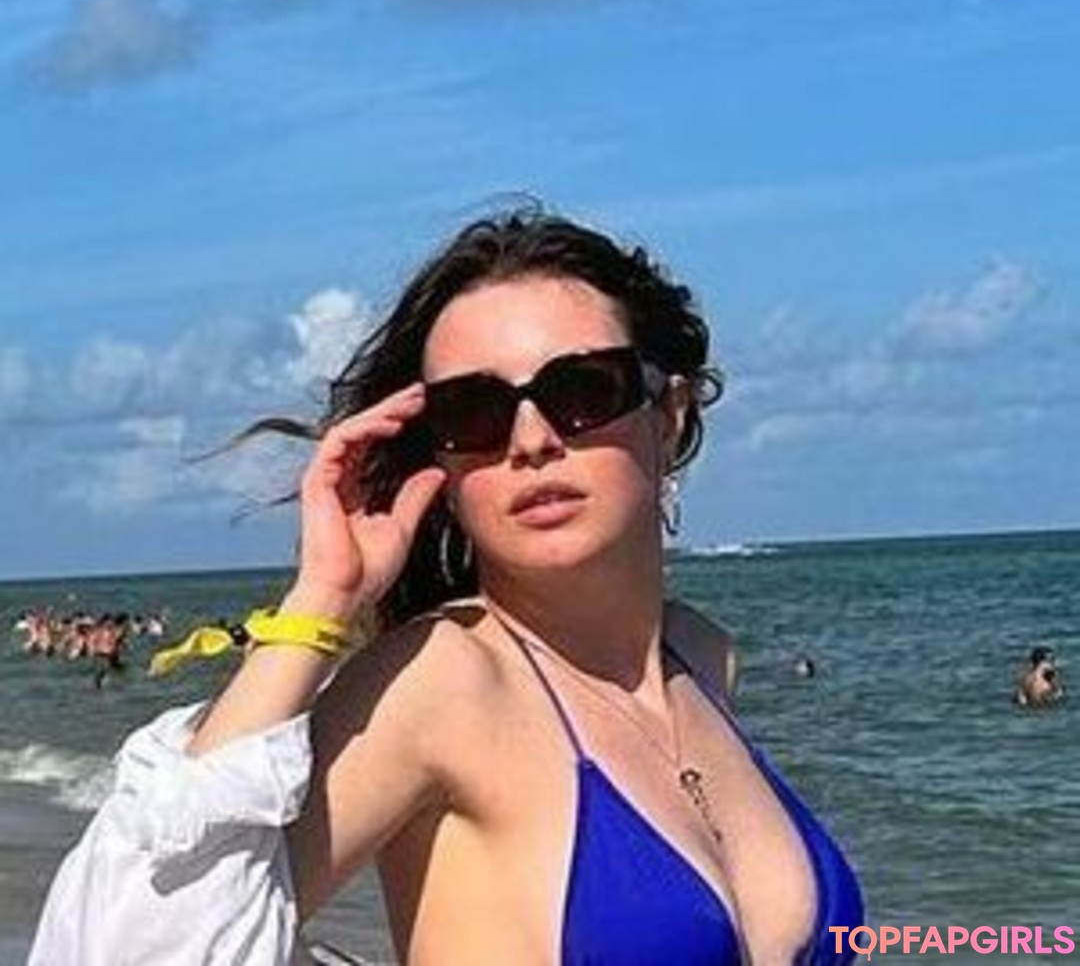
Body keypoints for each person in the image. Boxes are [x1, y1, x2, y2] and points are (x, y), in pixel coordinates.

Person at [30, 207, 864, 964]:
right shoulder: (445, 682)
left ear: (669, 414)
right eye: (475, 412)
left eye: (582, 391)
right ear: (442, 457)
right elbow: (132, 943)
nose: (531, 440)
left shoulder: (701, 656)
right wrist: (322, 601)